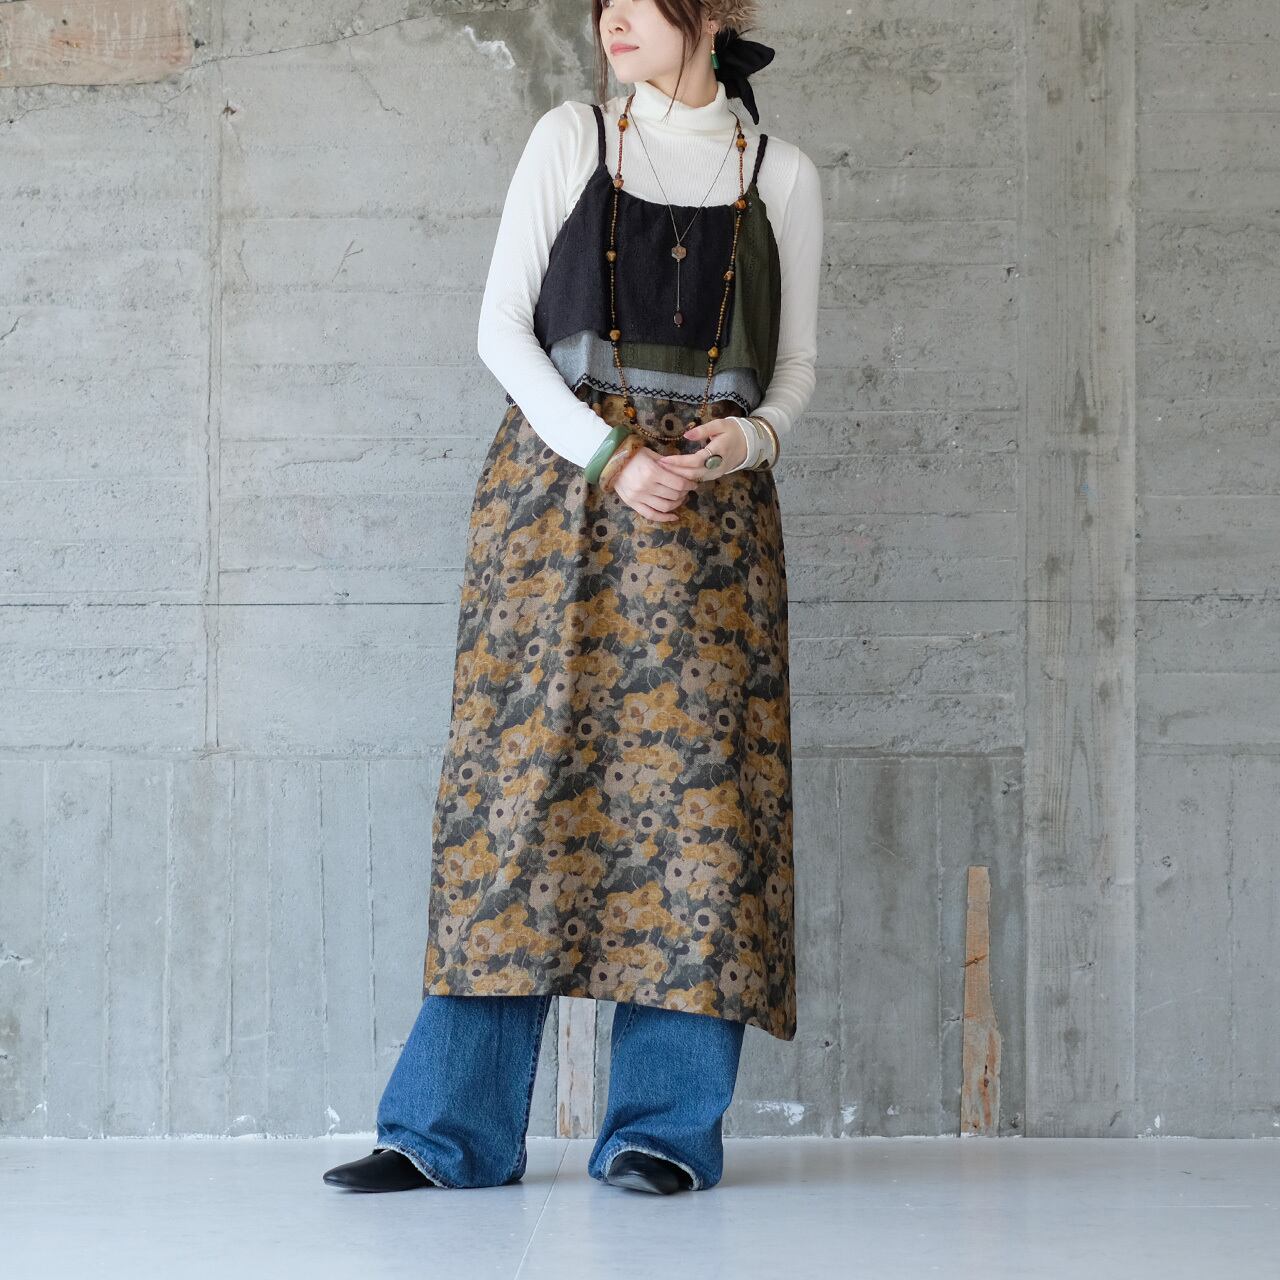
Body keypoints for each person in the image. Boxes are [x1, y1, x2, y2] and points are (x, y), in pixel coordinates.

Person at [323, 0, 823, 1196]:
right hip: (554, 510)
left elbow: (795, 370)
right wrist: (609, 456)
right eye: (603, 2)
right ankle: (447, 1132)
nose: (611, 20)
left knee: (700, 818)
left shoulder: (780, 174)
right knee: (516, 804)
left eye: (638, 0)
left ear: (709, 13)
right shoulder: (570, 137)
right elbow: (501, 332)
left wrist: (743, 443)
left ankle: (663, 1129)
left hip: (706, 530)